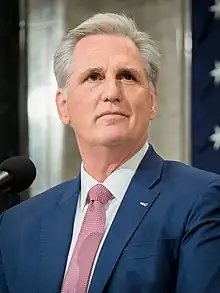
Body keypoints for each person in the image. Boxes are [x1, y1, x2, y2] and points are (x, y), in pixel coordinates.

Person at [0, 12, 220, 293]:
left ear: (152, 102)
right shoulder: (16, 226)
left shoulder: (200, 199)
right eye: (94, 77)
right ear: (63, 106)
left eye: (127, 76)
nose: (111, 92)